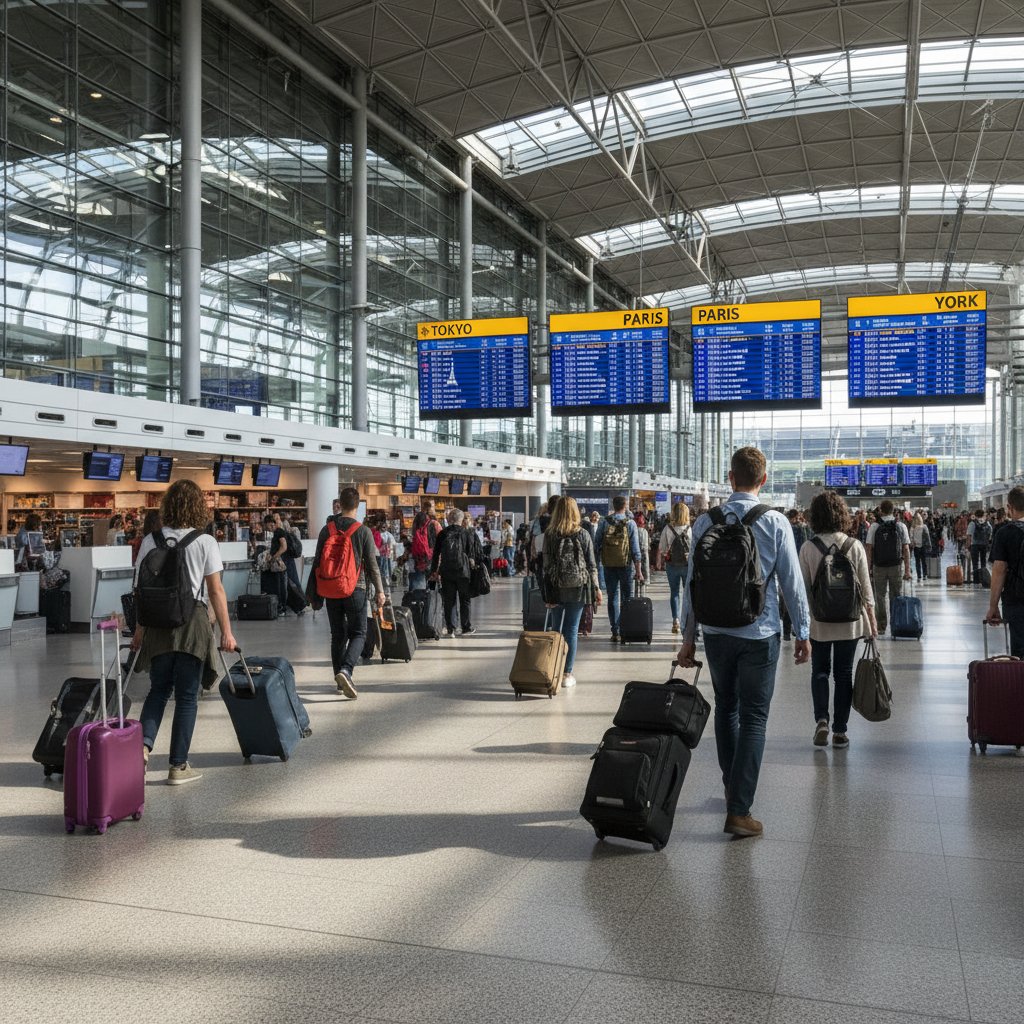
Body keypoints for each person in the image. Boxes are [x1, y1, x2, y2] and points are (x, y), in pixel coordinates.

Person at [676, 446, 810, 839]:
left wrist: (688, 638)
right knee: (754, 718)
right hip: (760, 633)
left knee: (727, 709)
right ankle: (739, 809)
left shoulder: (705, 522)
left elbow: (692, 585)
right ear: (763, 480)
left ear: (730, 478)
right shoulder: (775, 522)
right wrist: (803, 632)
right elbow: (791, 583)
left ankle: (731, 787)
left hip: (716, 632)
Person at [131, 480, 237, 785]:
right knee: (187, 696)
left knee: (158, 690)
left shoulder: (150, 541)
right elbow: (215, 591)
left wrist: (139, 630)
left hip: (157, 625)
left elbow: (140, 590)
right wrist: (227, 633)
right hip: (192, 623)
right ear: (198, 507)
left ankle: (142, 749)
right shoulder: (205, 541)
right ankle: (178, 765)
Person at [799, 491, 877, 749]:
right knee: (843, 674)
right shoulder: (854, 546)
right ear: (843, 515)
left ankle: (821, 719)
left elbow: (803, 590)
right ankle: (840, 731)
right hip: (850, 620)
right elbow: (866, 587)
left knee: (820, 671)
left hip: (819, 621)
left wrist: (802, 623)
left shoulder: (809, 548)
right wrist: (872, 620)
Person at [311, 487, 386, 699]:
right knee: (359, 633)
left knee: (337, 635)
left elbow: (317, 562)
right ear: (357, 505)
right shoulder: (363, 531)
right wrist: (380, 591)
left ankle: (339, 680)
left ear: (340, 504)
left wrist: (314, 591)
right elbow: (372, 565)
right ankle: (346, 670)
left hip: (330, 588)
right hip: (356, 589)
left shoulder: (327, 530)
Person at [541, 496, 601, 688]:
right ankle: (567, 674)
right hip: (578, 587)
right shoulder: (583, 534)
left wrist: (547, 593)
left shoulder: (550, 534)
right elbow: (591, 565)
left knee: (555, 629)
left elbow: (546, 566)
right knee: (572, 630)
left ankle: (552, 669)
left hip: (556, 587)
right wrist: (597, 588)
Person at [595, 495, 644, 642]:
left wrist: (596, 564)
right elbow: (635, 549)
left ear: (613, 505)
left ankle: (615, 631)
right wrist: (639, 570)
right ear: (625, 506)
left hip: (608, 565)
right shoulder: (630, 523)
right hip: (626, 565)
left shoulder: (604, 522)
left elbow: (596, 544)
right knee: (627, 598)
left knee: (612, 597)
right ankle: (626, 629)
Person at [985, 486, 1024, 656]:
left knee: (1020, 648)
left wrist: (993, 606)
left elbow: (999, 570)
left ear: (1009, 507)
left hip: (1016, 598)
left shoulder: (1004, 533)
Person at [429, 507, 479, 636]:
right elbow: (471, 554)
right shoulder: (466, 533)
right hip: (463, 572)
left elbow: (436, 554)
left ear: (449, 519)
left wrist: (434, 571)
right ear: (461, 519)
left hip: (446, 571)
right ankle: (466, 628)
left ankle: (451, 628)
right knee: (465, 600)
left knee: (449, 600)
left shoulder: (442, 533)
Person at [865, 500, 912, 635]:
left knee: (879, 596)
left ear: (881, 510)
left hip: (878, 566)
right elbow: (906, 549)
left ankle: (881, 626)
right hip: (896, 566)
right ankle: (896, 624)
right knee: (896, 596)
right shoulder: (901, 526)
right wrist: (907, 570)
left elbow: (869, 549)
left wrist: (868, 568)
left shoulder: (874, 526)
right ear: (893, 510)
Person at [657, 501, 691, 634]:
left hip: (671, 564)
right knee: (687, 593)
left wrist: (660, 560)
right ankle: (686, 620)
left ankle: (675, 619)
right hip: (687, 564)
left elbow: (662, 548)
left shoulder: (668, 528)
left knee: (674, 593)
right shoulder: (689, 529)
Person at [408, 499, 441, 590]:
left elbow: (413, 536)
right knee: (432, 587)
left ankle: (420, 596)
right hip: (432, 558)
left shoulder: (417, 520)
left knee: (419, 584)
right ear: (431, 509)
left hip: (418, 558)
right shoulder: (435, 523)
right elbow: (441, 540)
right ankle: (430, 593)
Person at [261, 514, 289, 616]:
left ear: (270, 523)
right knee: (278, 586)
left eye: (266, 525)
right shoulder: (276, 532)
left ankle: (282, 607)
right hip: (277, 563)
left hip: (279, 564)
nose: (266, 528)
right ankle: (280, 607)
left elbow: (284, 547)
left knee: (280, 586)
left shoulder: (279, 532)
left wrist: (274, 557)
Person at [968, 508, 992, 585]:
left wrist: (968, 546)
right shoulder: (987, 523)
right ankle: (983, 579)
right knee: (983, 562)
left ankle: (976, 580)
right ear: (983, 515)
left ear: (976, 515)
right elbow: (990, 533)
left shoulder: (972, 523)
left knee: (975, 563)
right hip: (984, 545)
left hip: (974, 545)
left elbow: (969, 535)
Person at [910, 513, 931, 583]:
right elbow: (928, 537)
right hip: (919, 546)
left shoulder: (919, 527)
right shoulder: (916, 527)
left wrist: (912, 542)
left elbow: (927, 537)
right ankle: (922, 575)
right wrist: (929, 545)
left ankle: (921, 576)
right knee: (922, 562)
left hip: (919, 546)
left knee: (919, 562)